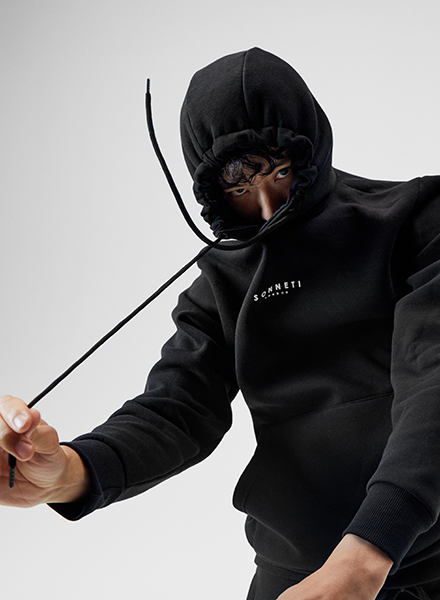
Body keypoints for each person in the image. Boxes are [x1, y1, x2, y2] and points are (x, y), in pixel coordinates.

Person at [1, 47, 440, 600]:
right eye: (239, 188)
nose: (267, 208)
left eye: (281, 172)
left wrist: (366, 554)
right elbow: (176, 408)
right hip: (296, 573)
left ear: (310, 146)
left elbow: (433, 383)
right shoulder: (220, 281)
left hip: (421, 562)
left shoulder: (415, 218)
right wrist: (68, 470)